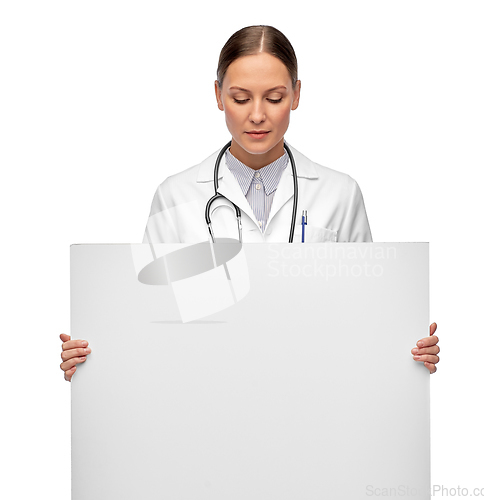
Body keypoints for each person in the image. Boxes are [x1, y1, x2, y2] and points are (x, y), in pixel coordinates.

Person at [59, 25, 440, 381]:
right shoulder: (175, 195)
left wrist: (408, 349)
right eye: (240, 98)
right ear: (218, 95)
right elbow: (146, 316)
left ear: (296, 94)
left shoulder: (340, 193)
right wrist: (93, 355)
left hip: (314, 389)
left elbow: (367, 312)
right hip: (205, 391)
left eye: (275, 97)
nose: (257, 115)